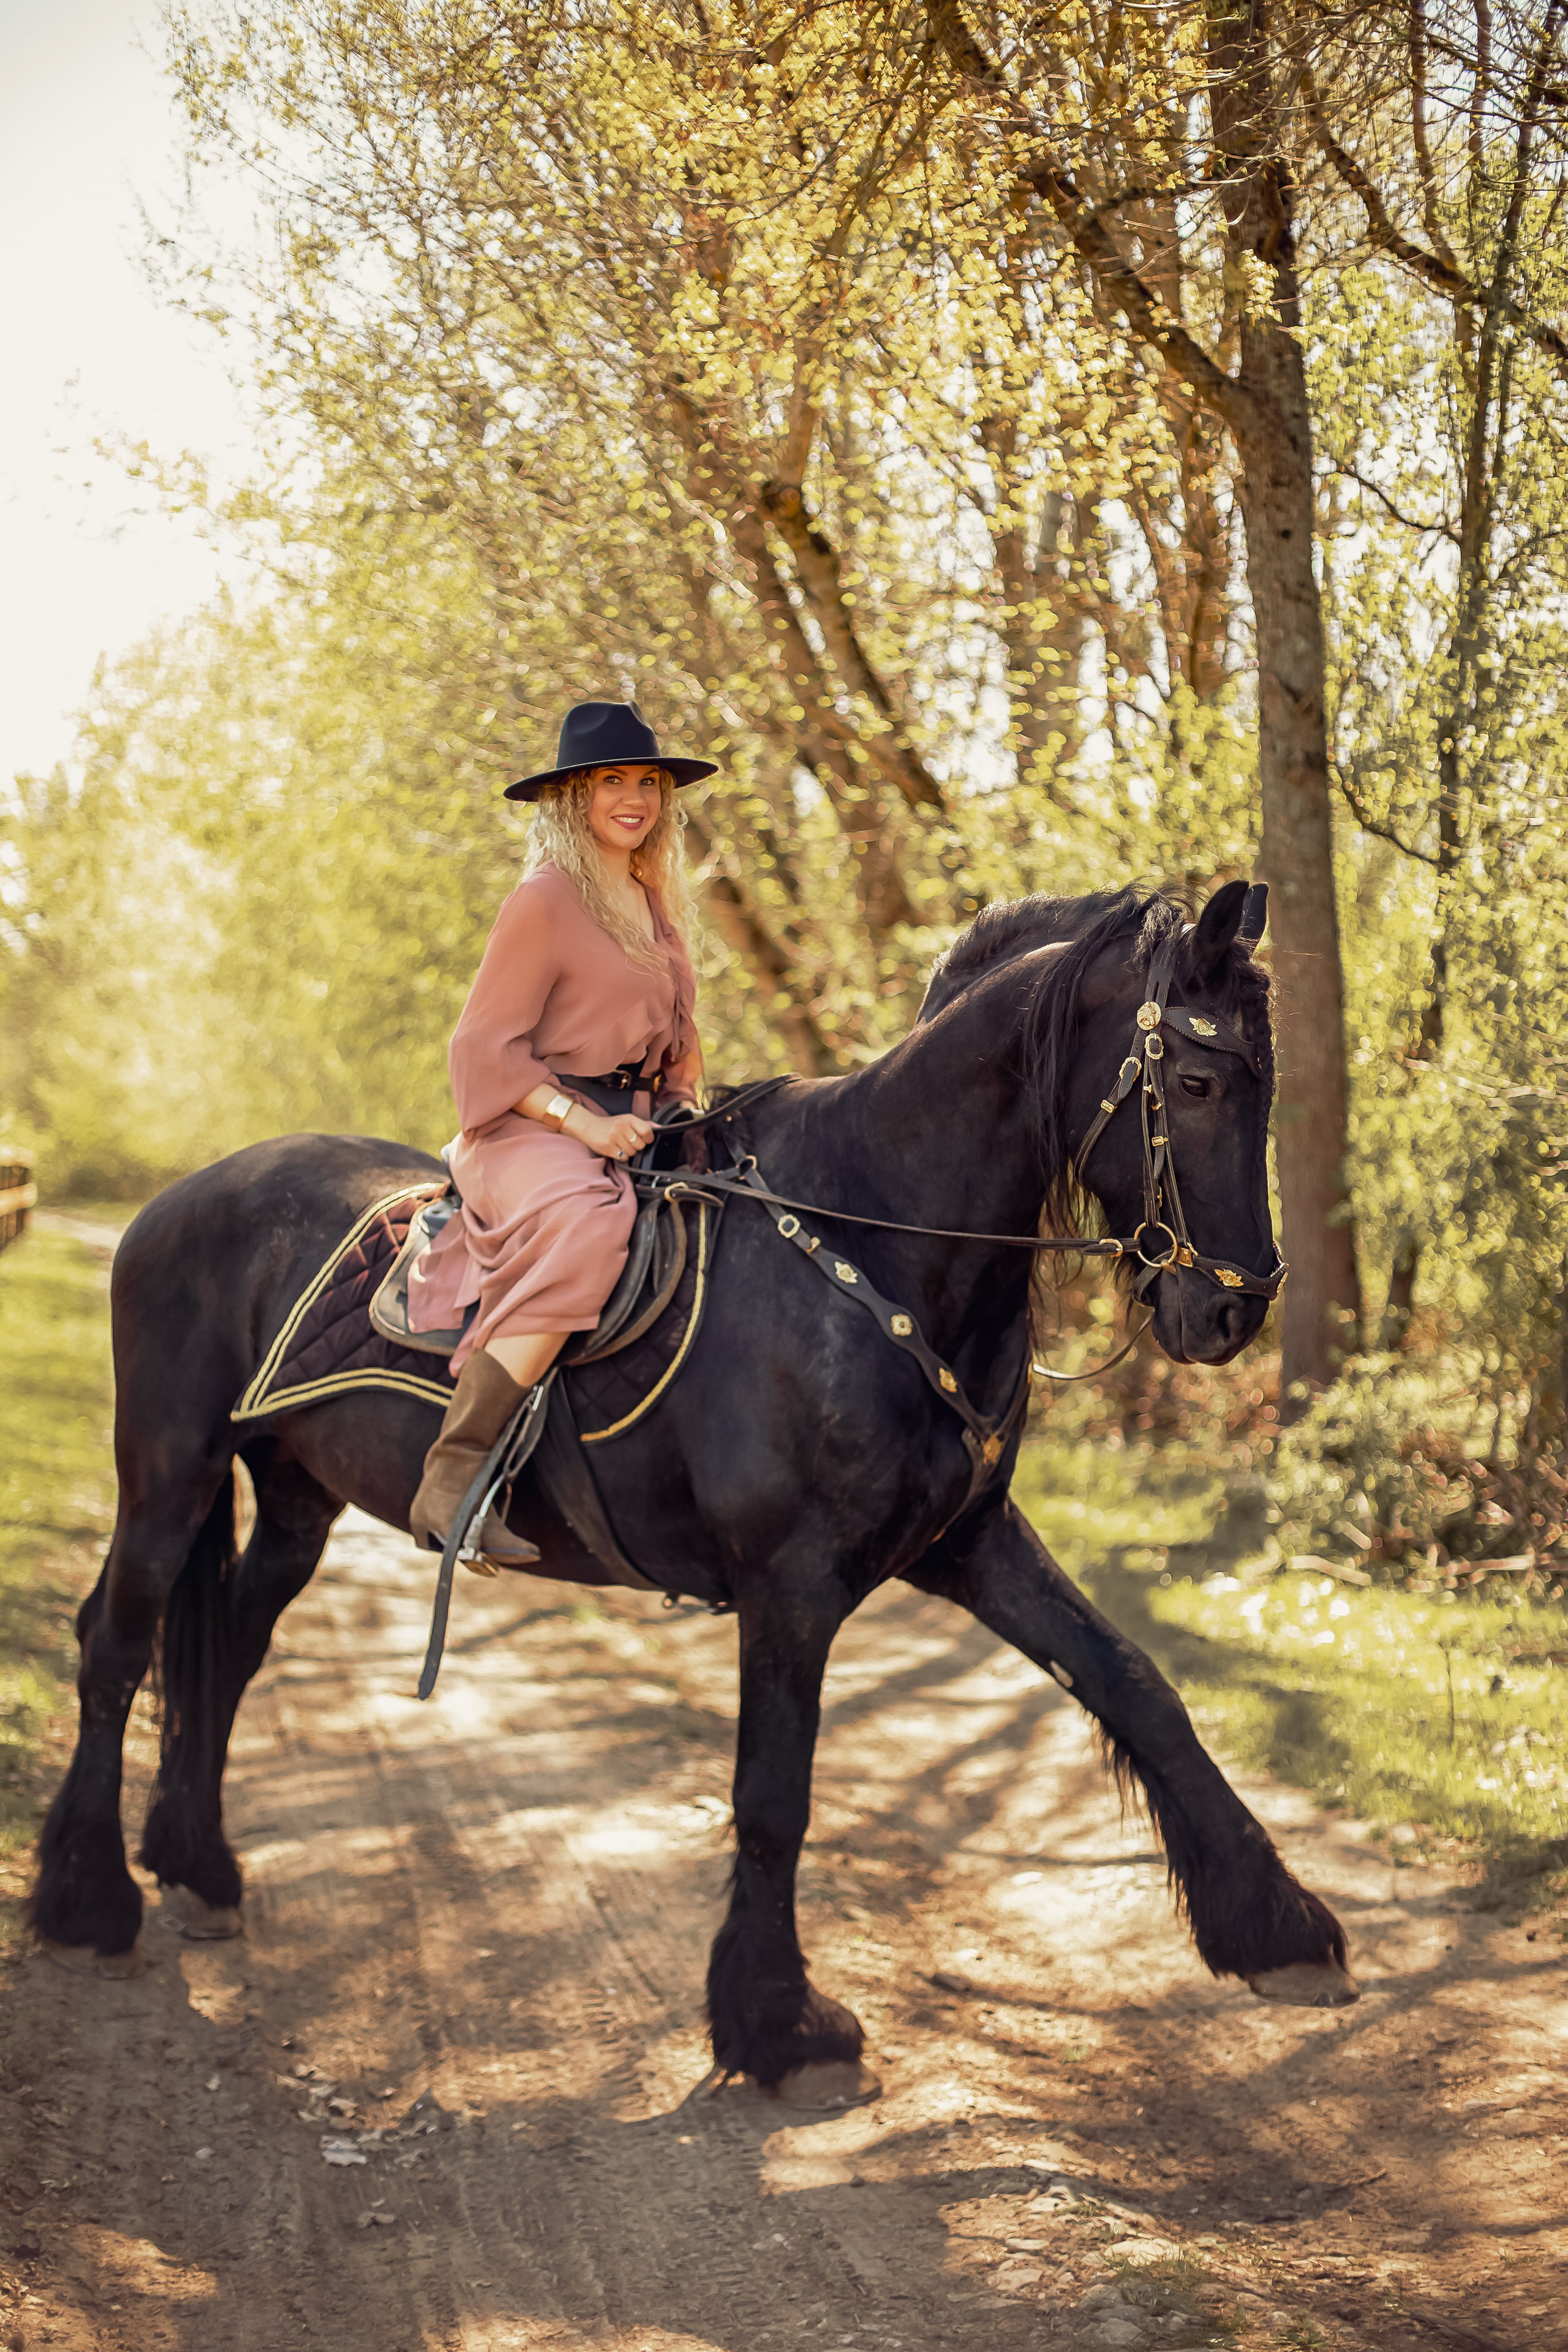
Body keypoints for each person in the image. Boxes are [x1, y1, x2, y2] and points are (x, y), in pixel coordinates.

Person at [405, 699, 715, 1568]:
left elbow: (680, 1040)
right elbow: (481, 1050)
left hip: (633, 1119)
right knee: (588, 1225)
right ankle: (455, 1472)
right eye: (612, 780)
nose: (635, 798)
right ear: (574, 796)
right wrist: (580, 1121)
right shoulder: (544, 900)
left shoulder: (656, 905)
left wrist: (686, 1107)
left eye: (648, 782)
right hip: (530, 1125)